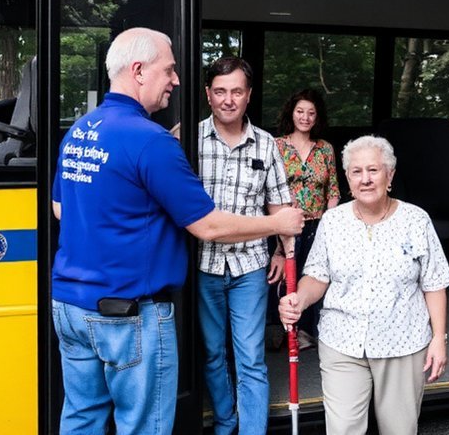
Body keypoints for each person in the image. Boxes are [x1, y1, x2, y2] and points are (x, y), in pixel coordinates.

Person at [51, 28, 304, 435]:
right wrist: (277, 224)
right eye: (168, 70)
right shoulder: (154, 141)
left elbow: (62, 208)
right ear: (138, 71)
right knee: (145, 426)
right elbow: (206, 225)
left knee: (82, 420)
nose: (175, 80)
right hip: (127, 311)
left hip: (71, 306)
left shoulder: (81, 130)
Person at [279, 135, 449, 435]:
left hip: (403, 342)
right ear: (347, 178)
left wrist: (439, 338)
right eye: (356, 172)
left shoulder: (416, 220)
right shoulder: (333, 221)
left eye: (373, 170)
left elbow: (434, 283)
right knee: (343, 429)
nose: (365, 179)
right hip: (342, 341)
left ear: (390, 175)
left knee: (399, 429)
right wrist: (298, 300)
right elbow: (317, 277)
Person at [197, 56, 292, 435]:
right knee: (212, 355)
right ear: (208, 95)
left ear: (248, 95)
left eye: (236, 91)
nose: (228, 100)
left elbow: (281, 207)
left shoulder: (267, 144)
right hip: (202, 265)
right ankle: (225, 422)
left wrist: (283, 252)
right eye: (220, 91)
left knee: (250, 358)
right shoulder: (187, 138)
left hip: (249, 266)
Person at [273, 88, 340, 350]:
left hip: (318, 224)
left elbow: (332, 189)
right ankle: (286, 332)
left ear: (317, 117)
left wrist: (330, 225)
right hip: (286, 223)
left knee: (314, 277)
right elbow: (270, 189)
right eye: (300, 111)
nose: (305, 117)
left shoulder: (324, 149)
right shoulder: (278, 146)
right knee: (286, 278)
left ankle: (310, 334)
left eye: (311, 113)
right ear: (292, 113)